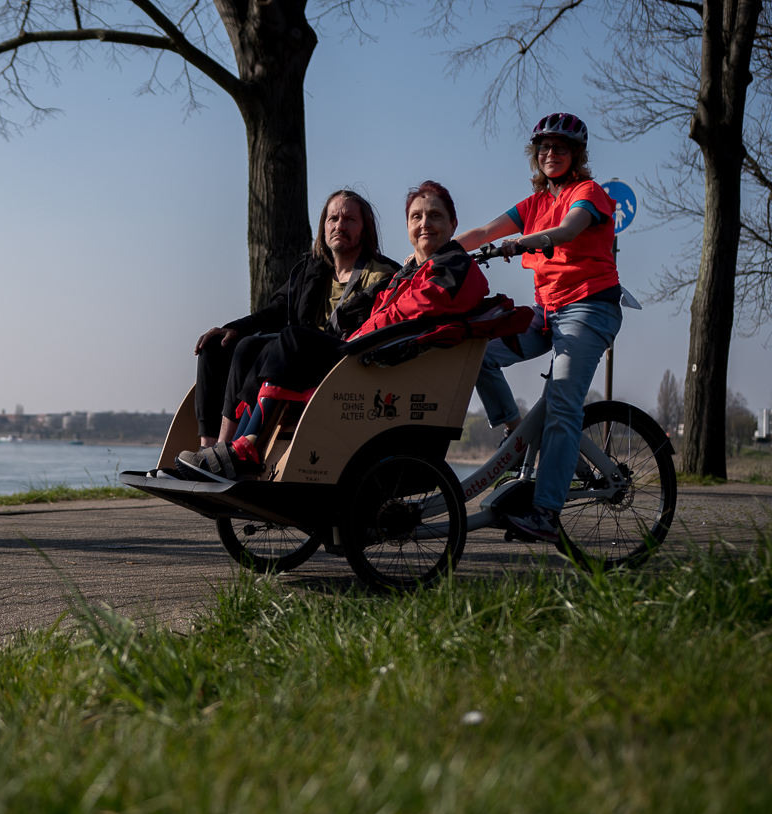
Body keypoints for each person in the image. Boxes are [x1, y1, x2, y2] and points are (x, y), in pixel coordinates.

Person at [177, 181, 488, 481]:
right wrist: (233, 328)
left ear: (453, 224)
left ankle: (240, 448)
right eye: (416, 217)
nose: (425, 224)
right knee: (229, 346)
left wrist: (357, 334)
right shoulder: (330, 272)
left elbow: (406, 314)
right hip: (347, 348)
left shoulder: (430, 270)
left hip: (362, 358)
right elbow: (276, 311)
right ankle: (216, 450)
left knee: (286, 340)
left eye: (435, 216)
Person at [454, 112, 621, 542]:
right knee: (474, 351)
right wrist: (434, 254)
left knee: (563, 406)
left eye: (561, 148)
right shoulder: (534, 204)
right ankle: (515, 432)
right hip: (546, 311)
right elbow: (484, 231)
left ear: (576, 155)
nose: (551, 154)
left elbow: (567, 231)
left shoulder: (589, 193)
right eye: (544, 148)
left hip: (588, 309)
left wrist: (521, 243)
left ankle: (545, 513)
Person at [192, 190, 400, 447]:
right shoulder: (311, 271)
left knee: (256, 346)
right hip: (295, 353)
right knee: (216, 346)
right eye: (333, 219)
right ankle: (207, 448)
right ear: (323, 227)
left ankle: (228, 447)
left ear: (365, 229)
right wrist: (234, 328)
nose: (340, 226)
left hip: (342, 363)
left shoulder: (382, 276)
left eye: (350, 219)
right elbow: (275, 311)